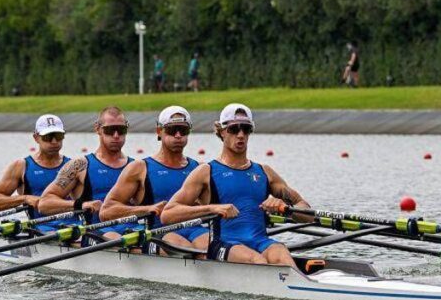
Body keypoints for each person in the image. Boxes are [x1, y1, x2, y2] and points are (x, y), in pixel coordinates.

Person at [162, 103, 310, 266]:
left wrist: (286, 208)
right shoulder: (206, 172)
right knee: (257, 261)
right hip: (223, 244)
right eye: (234, 129)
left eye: (246, 129)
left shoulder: (264, 172)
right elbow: (168, 214)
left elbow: (306, 211)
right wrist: (212, 209)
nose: (240, 135)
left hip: (261, 241)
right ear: (222, 131)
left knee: (283, 256)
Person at [100, 106, 210, 254]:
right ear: (159, 131)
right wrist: (146, 209)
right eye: (172, 130)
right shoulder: (139, 168)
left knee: (210, 248)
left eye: (183, 130)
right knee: (188, 251)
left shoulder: (199, 168)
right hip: (158, 231)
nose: (178, 135)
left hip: (194, 229)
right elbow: (106, 211)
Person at [38, 106, 133, 238]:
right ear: (98, 129)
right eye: (110, 130)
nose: (116, 135)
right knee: (114, 237)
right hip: (95, 232)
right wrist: (80, 205)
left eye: (121, 130)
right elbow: (44, 203)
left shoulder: (136, 167)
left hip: (132, 231)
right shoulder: (79, 166)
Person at [0, 114, 71, 231]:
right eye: (48, 137)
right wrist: (24, 199)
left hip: (75, 227)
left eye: (58, 136)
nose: (54, 141)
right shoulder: (21, 167)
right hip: (42, 230)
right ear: (36, 137)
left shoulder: (73, 165)